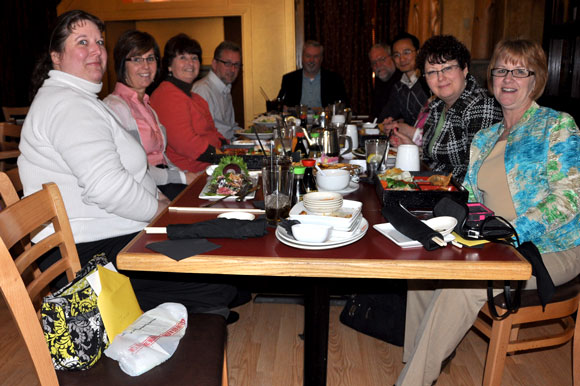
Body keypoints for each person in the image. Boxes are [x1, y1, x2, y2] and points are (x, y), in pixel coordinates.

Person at [19, 10, 236, 318]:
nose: (96, 50)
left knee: (219, 268)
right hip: (87, 255)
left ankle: (190, 304)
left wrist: (161, 203)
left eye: (99, 42)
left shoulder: (80, 100)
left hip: (109, 234)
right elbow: (108, 188)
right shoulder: (68, 105)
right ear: (56, 55)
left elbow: (125, 174)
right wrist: (161, 213)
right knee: (221, 282)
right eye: (83, 42)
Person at [396, 39, 580, 386]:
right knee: (423, 261)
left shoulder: (557, 126)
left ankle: (411, 382)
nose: (508, 79)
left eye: (519, 71)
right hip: (494, 240)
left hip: (552, 247)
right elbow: (472, 196)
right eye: (501, 70)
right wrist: (454, 224)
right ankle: (419, 365)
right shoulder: (485, 136)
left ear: (535, 78)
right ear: (491, 77)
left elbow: (568, 201)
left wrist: (510, 230)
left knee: (462, 286)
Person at [386, 35, 502, 181]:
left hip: (454, 196)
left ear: (464, 69)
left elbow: (475, 174)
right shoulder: (437, 105)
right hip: (434, 187)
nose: (440, 77)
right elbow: (435, 160)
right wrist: (411, 148)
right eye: (432, 72)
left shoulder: (482, 106)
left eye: (447, 68)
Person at [103, 30, 200, 200]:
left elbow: (162, 158)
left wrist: (186, 175)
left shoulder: (147, 106)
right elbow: (135, 169)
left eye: (150, 58)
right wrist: (183, 178)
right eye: (137, 59)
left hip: (164, 180)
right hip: (143, 189)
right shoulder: (117, 107)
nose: (146, 66)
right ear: (121, 64)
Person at [150, 33, 227, 173]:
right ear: (169, 65)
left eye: (194, 58)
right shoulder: (167, 95)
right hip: (190, 174)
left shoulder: (196, 98)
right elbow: (186, 144)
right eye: (183, 57)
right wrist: (223, 157)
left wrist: (230, 148)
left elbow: (213, 133)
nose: (190, 63)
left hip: (209, 166)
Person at [192, 40, 242, 142]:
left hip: (227, 146)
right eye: (227, 64)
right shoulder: (203, 90)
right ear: (214, 64)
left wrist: (253, 133)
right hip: (216, 151)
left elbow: (229, 128)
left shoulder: (225, 88)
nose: (233, 70)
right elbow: (202, 134)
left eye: (236, 65)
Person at [276, 40, 349, 109]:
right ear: (302, 58)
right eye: (308, 56)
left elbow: (343, 105)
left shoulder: (334, 79)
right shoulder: (289, 79)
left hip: (325, 121)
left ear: (321, 59)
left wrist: (332, 109)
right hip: (297, 121)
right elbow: (280, 104)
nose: (311, 60)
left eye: (316, 57)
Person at [378, 32, 430, 125]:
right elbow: (385, 117)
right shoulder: (399, 87)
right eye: (396, 55)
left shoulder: (429, 81)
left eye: (406, 52)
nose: (402, 59)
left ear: (418, 53)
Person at [368, 43, 401, 119]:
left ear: (392, 58)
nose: (378, 65)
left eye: (382, 59)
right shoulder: (379, 82)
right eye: (374, 63)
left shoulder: (402, 81)